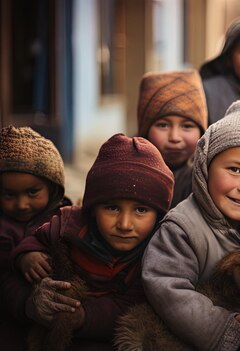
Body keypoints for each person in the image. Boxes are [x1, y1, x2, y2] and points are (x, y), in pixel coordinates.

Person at [141, 98, 240, 350]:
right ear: (205, 167)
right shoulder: (181, 227)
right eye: (235, 170)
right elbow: (168, 289)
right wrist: (233, 327)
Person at [10, 133, 174, 349]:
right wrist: (27, 256)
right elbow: (36, 238)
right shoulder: (68, 225)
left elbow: (128, 307)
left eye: (141, 210)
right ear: (92, 208)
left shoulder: (155, 255)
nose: (125, 224)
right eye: (112, 208)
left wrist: (84, 317)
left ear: (159, 216)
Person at [0, 126, 71, 348]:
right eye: (9, 194)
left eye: (32, 192)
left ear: (52, 189)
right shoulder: (3, 229)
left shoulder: (64, 219)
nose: (21, 205)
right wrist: (21, 258)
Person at [137, 69, 208, 208]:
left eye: (187, 126)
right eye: (163, 125)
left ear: (201, 132)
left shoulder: (208, 180)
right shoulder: (129, 172)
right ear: (145, 130)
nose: (175, 137)